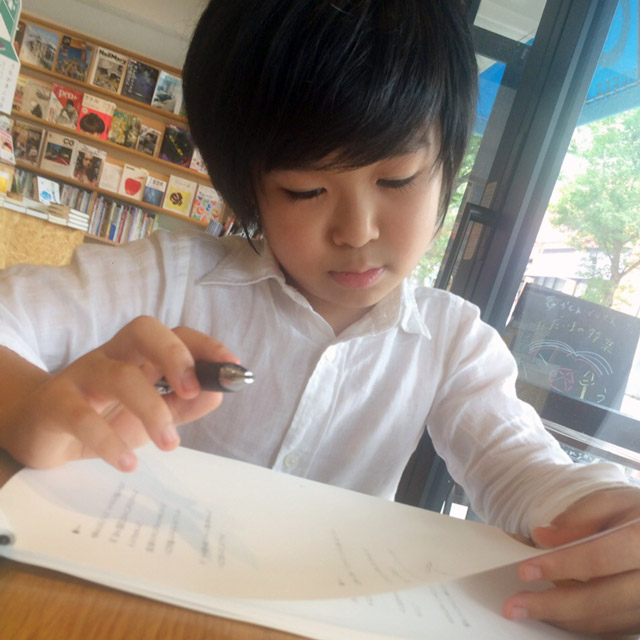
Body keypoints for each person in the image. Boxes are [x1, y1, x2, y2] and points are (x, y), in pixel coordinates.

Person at [0, 0, 638, 635]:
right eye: (306, 190)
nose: (357, 231)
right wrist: (31, 406)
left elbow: (519, 465)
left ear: (449, 167)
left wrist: (601, 514)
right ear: (248, 188)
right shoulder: (169, 276)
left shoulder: (453, 344)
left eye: (399, 180)